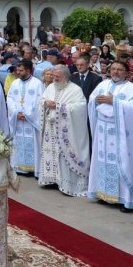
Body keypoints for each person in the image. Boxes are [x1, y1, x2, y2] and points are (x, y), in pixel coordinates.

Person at [87, 60, 133, 209]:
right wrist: (95, 101)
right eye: (113, 69)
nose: (115, 72)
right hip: (102, 130)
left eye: (120, 69)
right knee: (102, 160)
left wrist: (114, 101)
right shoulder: (103, 84)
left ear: (126, 73)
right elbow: (91, 100)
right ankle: (103, 193)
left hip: (120, 132)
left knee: (122, 161)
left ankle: (124, 199)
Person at [37, 65, 90, 197]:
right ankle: (52, 179)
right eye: (53, 76)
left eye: (57, 77)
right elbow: (42, 100)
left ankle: (67, 183)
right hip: (51, 128)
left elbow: (80, 108)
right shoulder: (50, 87)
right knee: (52, 153)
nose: (54, 79)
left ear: (66, 77)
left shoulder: (75, 90)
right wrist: (45, 103)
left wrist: (58, 106)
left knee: (63, 154)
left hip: (66, 130)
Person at [7, 61, 45, 176]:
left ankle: (33, 168)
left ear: (28, 70)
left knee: (32, 142)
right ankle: (18, 167)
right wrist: (15, 113)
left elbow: (40, 102)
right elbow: (9, 99)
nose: (18, 72)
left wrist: (27, 114)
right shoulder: (14, 83)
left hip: (31, 121)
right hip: (18, 119)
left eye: (21, 70)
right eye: (17, 70)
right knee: (18, 142)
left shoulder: (37, 83)